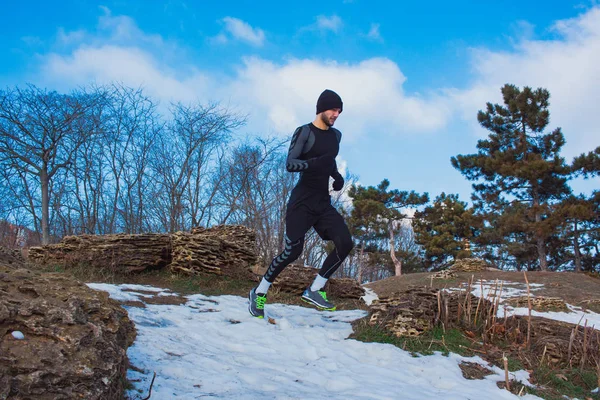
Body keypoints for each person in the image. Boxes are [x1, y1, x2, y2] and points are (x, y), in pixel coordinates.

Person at [248, 89, 354, 319]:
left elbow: (330, 161)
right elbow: (291, 164)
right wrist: (316, 163)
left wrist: (336, 176)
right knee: (292, 251)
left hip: (322, 203)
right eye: (333, 109)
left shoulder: (336, 136)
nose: (336, 114)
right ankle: (259, 291)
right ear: (321, 109)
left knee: (345, 243)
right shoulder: (304, 132)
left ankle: (315, 289)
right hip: (302, 202)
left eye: (339, 111)